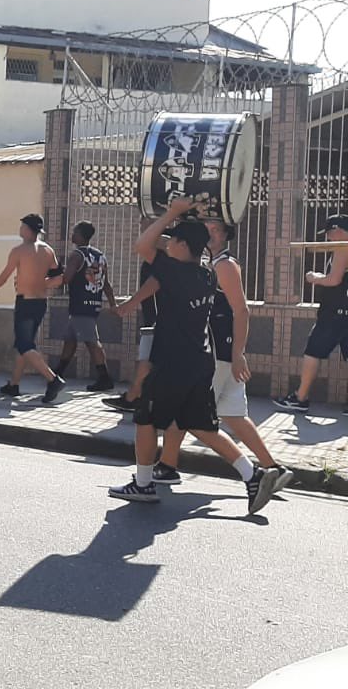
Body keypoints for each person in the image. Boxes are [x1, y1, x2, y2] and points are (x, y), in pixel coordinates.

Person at [108, 199, 285, 514]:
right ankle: (253, 475)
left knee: (145, 419)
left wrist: (174, 211)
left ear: (181, 245)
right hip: (200, 361)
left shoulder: (172, 270)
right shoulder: (207, 275)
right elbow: (155, 252)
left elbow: (142, 244)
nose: (167, 244)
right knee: (201, 425)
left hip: (172, 362)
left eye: (173, 240)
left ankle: (144, 484)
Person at [0, 213, 67, 403]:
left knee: (25, 345)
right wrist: (41, 283)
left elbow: (2, 278)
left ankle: (53, 380)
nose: (20, 229)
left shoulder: (19, 251)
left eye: (23, 226)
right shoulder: (48, 250)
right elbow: (59, 278)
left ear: (29, 230)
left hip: (25, 302)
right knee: (24, 344)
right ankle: (14, 384)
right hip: (40, 303)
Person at [274, 214, 348, 412]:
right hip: (343, 311)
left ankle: (300, 397)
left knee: (313, 352)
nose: (328, 238)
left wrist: (314, 278)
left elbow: (334, 280)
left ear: (338, 230)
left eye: (329, 233)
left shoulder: (343, 247)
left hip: (335, 313)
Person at [53, 221, 117, 391]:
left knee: (92, 342)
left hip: (81, 304)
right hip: (93, 303)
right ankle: (57, 374)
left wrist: (51, 275)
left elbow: (66, 279)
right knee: (70, 340)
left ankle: (105, 378)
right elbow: (106, 284)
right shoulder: (100, 256)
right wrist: (113, 304)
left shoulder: (77, 255)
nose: (72, 235)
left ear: (81, 235)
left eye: (74, 232)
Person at [103, 261, 159, 413]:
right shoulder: (154, 263)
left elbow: (156, 282)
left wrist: (128, 305)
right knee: (147, 359)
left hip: (159, 323)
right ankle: (135, 397)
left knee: (146, 360)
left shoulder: (162, 263)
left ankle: (133, 397)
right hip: (156, 322)